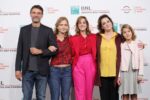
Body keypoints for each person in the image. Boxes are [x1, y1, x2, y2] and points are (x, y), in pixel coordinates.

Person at [15, 5, 57, 100]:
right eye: (34, 12)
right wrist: (17, 69)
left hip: (42, 71)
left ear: (42, 15)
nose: (36, 15)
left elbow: (55, 50)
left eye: (38, 13)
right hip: (27, 71)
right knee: (26, 97)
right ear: (30, 14)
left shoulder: (48, 30)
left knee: (41, 97)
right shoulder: (24, 30)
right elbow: (19, 51)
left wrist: (41, 51)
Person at [95, 14, 122, 100]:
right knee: (104, 98)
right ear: (101, 27)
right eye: (104, 23)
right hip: (102, 74)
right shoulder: (97, 37)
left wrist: (141, 46)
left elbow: (130, 42)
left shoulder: (119, 37)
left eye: (108, 21)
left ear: (111, 22)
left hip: (115, 74)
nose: (107, 24)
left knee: (114, 97)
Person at [70, 16, 96, 100]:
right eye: (80, 23)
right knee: (79, 89)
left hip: (90, 63)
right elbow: (70, 53)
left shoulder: (94, 37)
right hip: (78, 64)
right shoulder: (72, 38)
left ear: (87, 24)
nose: (82, 24)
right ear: (77, 25)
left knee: (89, 89)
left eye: (84, 22)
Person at [48, 17, 72, 100]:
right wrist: (48, 49)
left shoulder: (71, 39)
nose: (63, 27)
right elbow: (44, 52)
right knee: (55, 96)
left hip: (68, 71)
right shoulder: (51, 38)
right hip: (54, 71)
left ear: (68, 27)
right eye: (61, 24)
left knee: (65, 97)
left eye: (65, 25)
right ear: (57, 26)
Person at [117, 24, 144, 100]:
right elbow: (118, 61)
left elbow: (141, 60)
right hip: (124, 72)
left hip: (134, 72)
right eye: (124, 32)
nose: (127, 33)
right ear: (122, 34)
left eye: (129, 31)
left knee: (134, 95)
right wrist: (118, 76)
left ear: (132, 32)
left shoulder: (138, 43)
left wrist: (140, 74)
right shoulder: (121, 45)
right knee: (124, 95)